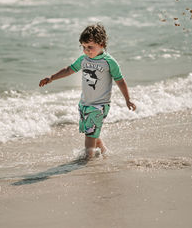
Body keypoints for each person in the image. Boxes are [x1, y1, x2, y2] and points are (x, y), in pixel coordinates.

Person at [39, 24, 136, 158]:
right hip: (84, 104)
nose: (86, 50)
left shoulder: (109, 62)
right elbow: (69, 69)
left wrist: (128, 99)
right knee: (91, 133)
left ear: (101, 44)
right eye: (83, 47)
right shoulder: (83, 60)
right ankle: (104, 152)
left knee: (90, 135)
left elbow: (120, 80)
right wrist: (52, 78)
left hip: (99, 105)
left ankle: (88, 160)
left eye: (90, 47)